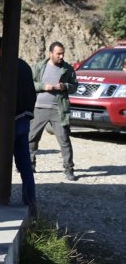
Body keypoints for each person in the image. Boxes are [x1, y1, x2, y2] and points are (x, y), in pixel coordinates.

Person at [0, 36, 37, 215]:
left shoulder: (1, 66)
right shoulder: (24, 65)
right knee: (24, 164)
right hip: (24, 120)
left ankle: (2, 197)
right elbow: (32, 92)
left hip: (8, 122)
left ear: (0, 49)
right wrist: (28, 113)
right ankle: (30, 202)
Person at [28, 42, 78, 181]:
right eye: (58, 54)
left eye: (62, 54)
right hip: (39, 108)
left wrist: (64, 86)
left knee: (64, 140)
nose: (61, 56)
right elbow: (30, 83)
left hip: (58, 110)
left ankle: (69, 169)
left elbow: (75, 86)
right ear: (51, 54)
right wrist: (44, 86)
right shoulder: (39, 66)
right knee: (32, 138)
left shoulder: (67, 69)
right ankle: (30, 164)